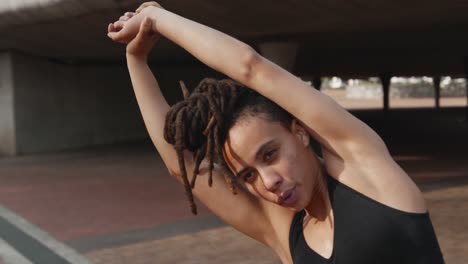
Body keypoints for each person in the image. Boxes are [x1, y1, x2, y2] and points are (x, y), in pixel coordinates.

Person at [107, 2, 444, 263]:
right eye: (248, 175)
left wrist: (156, 18)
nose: (268, 182)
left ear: (299, 132)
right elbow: (181, 166)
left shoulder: (366, 171)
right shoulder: (284, 230)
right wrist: (136, 60)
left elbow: (251, 68)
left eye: (270, 154)